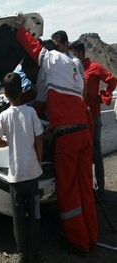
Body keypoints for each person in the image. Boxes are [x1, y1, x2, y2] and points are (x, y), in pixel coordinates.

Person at [15, 14, 98, 254]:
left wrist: (20, 29)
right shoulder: (76, 66)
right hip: (84, 132)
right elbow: (69, 99)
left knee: (69, 191)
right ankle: (91, 236)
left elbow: (34, 49)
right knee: (85, 188)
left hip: (67, 137)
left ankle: (79, 242)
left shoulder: (50, 60)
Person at [0, 72, 43, 263]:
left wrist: (10, 142)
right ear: (22, 91)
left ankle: (22, 253)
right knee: (35, 214)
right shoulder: (31, 113)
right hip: (32, 173)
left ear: (5, 94)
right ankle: (35, 252)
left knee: (19, 218)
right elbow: (39, 137)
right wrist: (39, 160)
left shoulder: (4, 116)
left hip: (15, 176)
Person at [69, 40, 117, 197]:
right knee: (83, 154)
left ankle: (101, 190)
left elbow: (112, 80)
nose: (71, 56)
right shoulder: (73, 69)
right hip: (79, 118)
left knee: (96, 153)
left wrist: (103, 96)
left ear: (81, 53)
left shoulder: (94, 67)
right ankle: (87, 188)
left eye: (73, 53)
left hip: (94, 116)